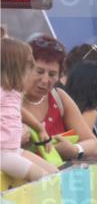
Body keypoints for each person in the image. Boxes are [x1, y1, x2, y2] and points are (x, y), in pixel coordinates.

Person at [22, 35, 95, 164]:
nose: (45, 80)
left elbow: (93, 143)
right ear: (23, 68)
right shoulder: (7, 99)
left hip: (57, 181)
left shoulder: (59, 97)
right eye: (39, 71)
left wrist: (75, 149)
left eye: (52, 74)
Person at [1, 37, 57, 182]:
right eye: (28, 69)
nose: (29, 74)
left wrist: (39, 128)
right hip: (3, 154)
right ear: (15, 70)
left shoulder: (13, 92)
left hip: (14, 151)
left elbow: (20, 111)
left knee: (56, 174)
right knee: (43, 178)